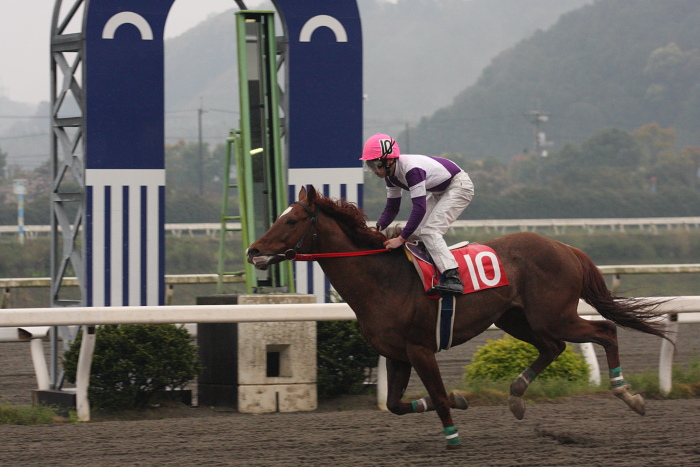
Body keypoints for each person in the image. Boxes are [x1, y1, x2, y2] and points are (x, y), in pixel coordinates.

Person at [360, 133, 475, 295]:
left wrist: (400, 239)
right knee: (414, 234)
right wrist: (376, 228)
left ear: (390, 160)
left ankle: (452, 278)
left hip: (459, 186)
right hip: (439, 190)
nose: (373, 170)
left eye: (375, 164)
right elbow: (392, 208)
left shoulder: (412, 170)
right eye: (369, 165)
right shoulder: (390, 176)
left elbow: (419, 208)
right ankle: (428, 269)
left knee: (429, 231)